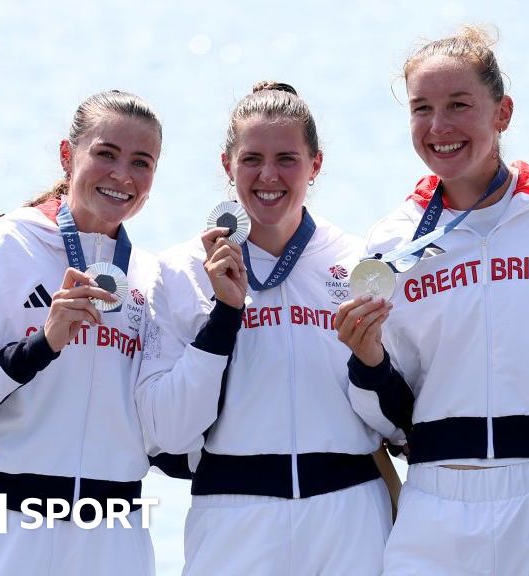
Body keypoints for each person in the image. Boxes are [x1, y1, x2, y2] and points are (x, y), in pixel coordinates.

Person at [335, 27, 529, 575]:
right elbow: (390, 415)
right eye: (422, 108)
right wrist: (368, 358)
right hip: (438, 497)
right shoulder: (391, 241)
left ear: (503, 112)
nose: (439, 127)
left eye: (459, 105)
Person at [135, 81, 392, 575]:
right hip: (234, 517)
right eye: (251, 159)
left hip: (350, 516)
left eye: (287, 159)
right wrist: (224, 316)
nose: (268, 176)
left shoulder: (358, 261)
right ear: (226, 164)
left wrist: (373, 362)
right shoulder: (182, 269)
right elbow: (167, 430)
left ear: (315, 165)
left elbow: (398, 422)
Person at [0, 90, 163, 576]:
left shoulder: (153, 279)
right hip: (1, 535)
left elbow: (167, 431)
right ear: (68, 156)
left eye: (142, 162)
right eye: (105, 154)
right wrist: (41, 345)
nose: (122, 176)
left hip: (114, 542)